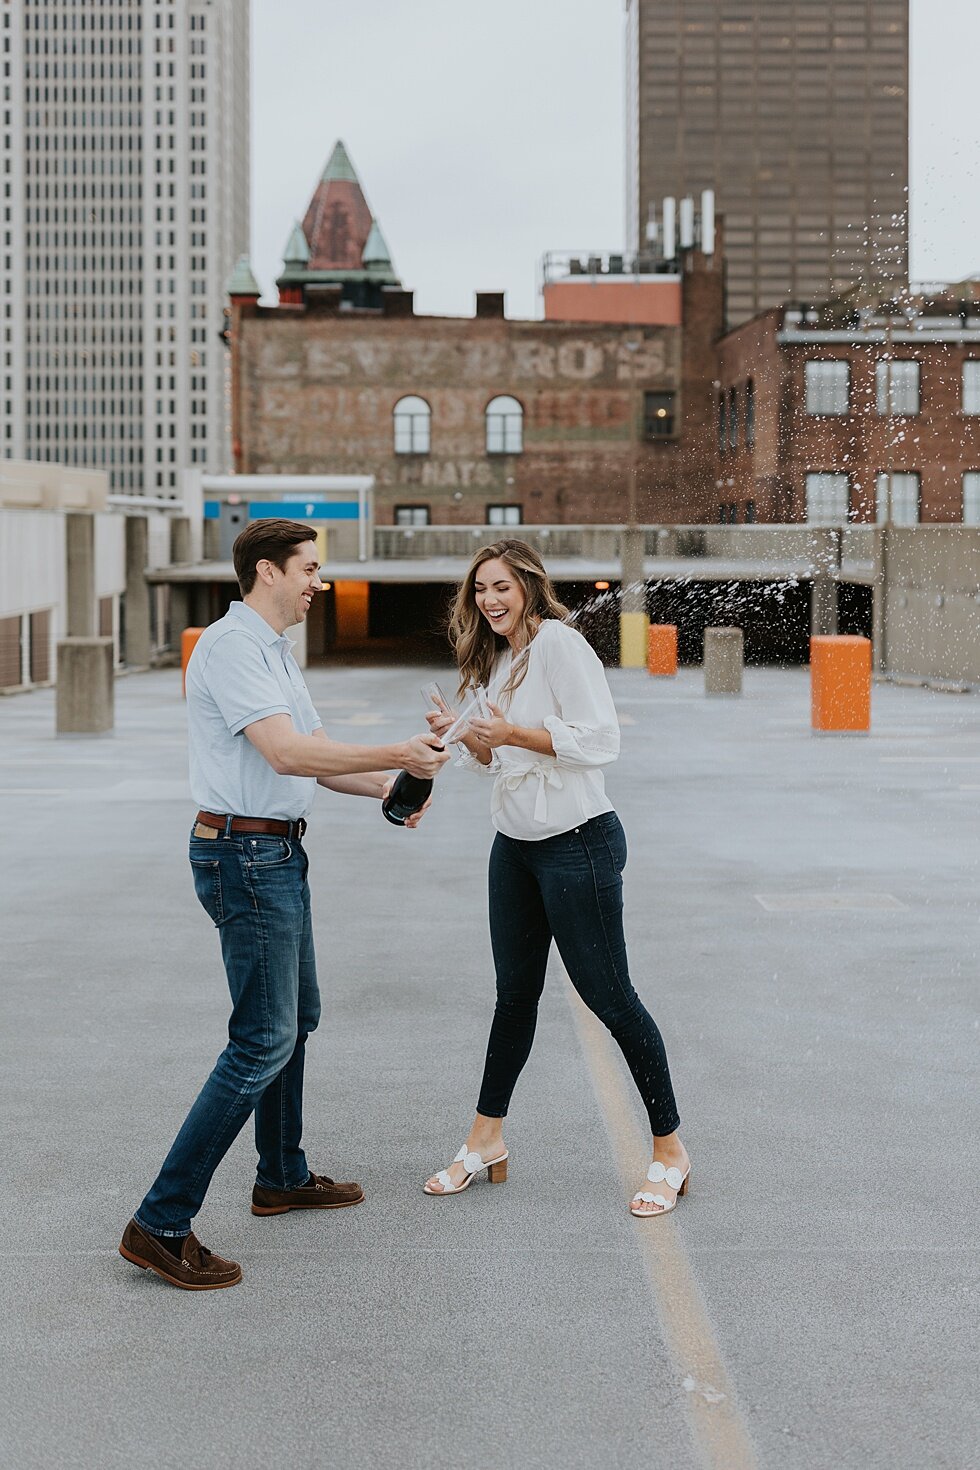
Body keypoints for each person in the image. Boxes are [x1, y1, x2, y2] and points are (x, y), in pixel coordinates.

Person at [120, 519, 448, 1290]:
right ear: (267, 572)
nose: (317, 583)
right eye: (307, 569)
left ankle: (282, 1176)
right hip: (243, 854)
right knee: (261, 1039)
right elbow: (287, 753)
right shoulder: (233, 650)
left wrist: (401, 785)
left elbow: (322, 758)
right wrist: (396, 751)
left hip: (272, 849)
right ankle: (160, 1221)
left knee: (294, 1019)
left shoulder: (274, 653)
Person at [422, 539, 688, 1217]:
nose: (490, 600)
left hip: (578, 843)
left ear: (529, 588)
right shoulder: (495, 657)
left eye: (502, 587)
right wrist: (471, 740)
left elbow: (601, 741)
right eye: (480, 589)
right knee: (514, 997)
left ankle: (670, 1152)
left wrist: (512, 734)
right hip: (514, 846)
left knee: (611, 998)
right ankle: (486, 1140)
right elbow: (500, 756)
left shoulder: (561, 646)